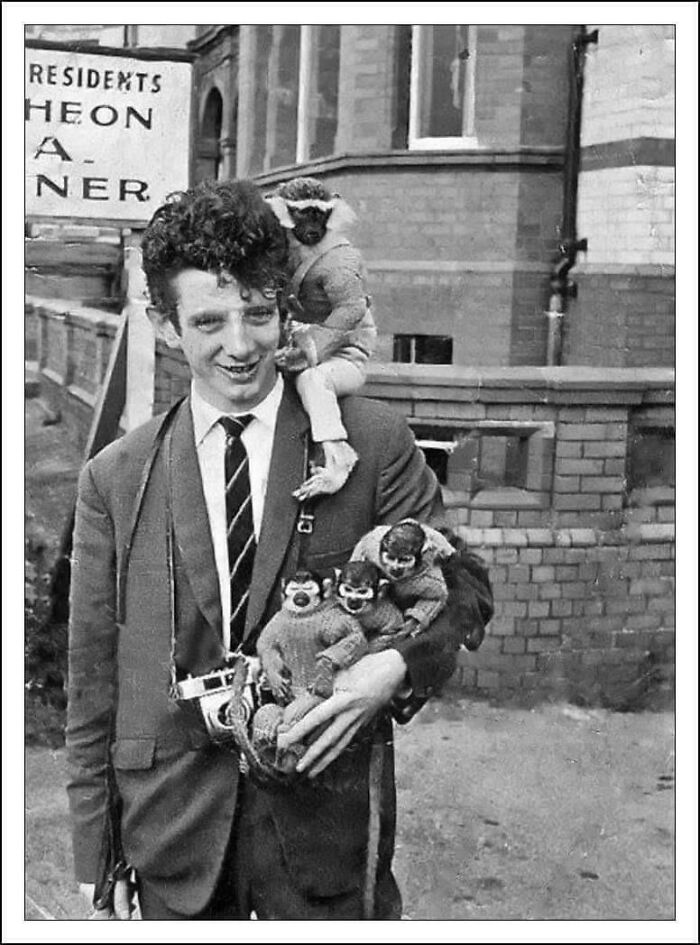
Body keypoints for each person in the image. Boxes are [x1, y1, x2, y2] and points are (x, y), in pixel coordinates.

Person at [65, 179, 490, 920]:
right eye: (207, 320)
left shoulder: (371, 442)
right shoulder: (115, 477)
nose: (240, 345)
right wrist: (97, 850)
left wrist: (390, 668)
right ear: (166, 326)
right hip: (171, 837)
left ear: (285, 309)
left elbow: (467, 590)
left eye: (259, 314)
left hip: (324, 835)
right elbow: (94, 676)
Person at [266, 176, 376, 500]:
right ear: (287, 213)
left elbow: (350, 311)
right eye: (304, 215)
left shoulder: (339, 259)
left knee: (314, 381)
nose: (313, 225)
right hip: (302, 342)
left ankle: (339, 456)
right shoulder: (287, 250)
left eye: (319, 215)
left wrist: (308, 352)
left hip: (344, 354)